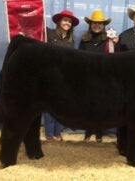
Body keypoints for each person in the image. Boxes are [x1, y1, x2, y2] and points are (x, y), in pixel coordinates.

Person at [79, 9, 118, 142]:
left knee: (102, 107)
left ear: (103, 25)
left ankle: (99, 133)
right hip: (88, 79)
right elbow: (78, 59)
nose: (97, 25)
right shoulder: (84, 41)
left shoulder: (109, 40)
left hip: (104, 79)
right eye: (94, 23)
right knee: (88, 106)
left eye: (100, 23)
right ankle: (88, 132)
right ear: (90, 24)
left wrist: (115, 44)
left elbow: (115, 59)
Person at [44, 10, 79, 141]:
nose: (67, 23)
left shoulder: (71, 40)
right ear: (59, 22)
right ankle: (49, 133)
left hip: (65, 78)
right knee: (48, 105)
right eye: (65, 20)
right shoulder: (49, 33)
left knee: (61, 105)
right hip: (49, 75)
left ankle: (57, 132)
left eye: (69, 22)